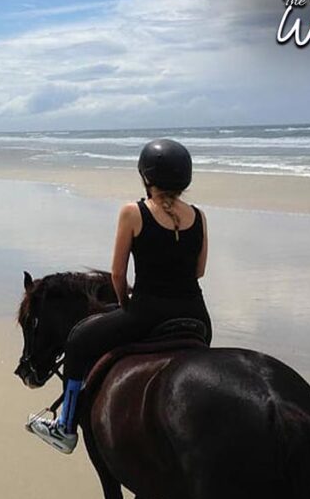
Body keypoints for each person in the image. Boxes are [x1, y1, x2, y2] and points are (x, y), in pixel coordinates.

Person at [26, 138, 211, 454]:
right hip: (198, 317)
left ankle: (65, 428)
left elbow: (117, 275)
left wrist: (127, 306)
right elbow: (199, 272)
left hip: (147, 312)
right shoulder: (198, 215)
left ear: (146, 177)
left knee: (79, 340)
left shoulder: (133, 212)